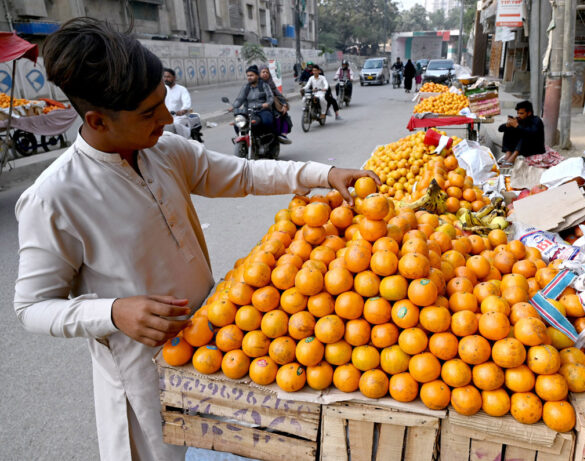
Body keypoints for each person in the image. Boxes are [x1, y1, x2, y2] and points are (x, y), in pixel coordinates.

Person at [14, 17, 378, 461]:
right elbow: (32, 308)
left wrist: (324, 174)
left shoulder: (165, 151)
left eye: (163, 104)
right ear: (97, 120)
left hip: (216, 340)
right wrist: (112, 311)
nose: (166, 119)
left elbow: (243, 173)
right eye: (150, 113)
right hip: (141, 371)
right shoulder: (54, 198)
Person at [498, 100, 546, 165]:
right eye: (518, 113)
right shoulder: (519, 119)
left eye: (521, 113)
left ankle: (513, 157)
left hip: (535, 149)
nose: (519, 115)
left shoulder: (536, 120)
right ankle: (508, 154)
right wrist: (507, 125)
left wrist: (517, 126)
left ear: (529, 113)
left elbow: (532, 133)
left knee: (524, 133)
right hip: (523, 148)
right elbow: (500, 129)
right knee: (508, 129)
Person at [233, 64, 274, 132]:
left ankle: (269, 137)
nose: (249, 77)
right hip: (248, 111)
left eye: (251, 75)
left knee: (267, 121)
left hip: (262, 110)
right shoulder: (246, 87)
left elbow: (270, 97)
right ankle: (242, 139)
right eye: (248, 76)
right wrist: (233, 106)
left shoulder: (264, 85)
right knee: (237, 124)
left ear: (257, 76)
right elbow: (240, 99)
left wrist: (267, 104)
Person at [259, 64, 292, 144]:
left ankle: (281, 135)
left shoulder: (271, 84)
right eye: (263, 72)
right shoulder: (254, 84)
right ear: (259, 73)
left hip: (270, 106)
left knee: (281, 115)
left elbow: (279, 95)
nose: (265, 74)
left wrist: (284, 105)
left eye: (267, 72)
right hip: (257, 106)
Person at [162, 68, 192, 138]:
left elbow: (187, 103)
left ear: (174, 78)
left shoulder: (182, 89)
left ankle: (184, 142)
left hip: (179, 117)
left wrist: (183, 110)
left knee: (177, 124)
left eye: (168, 77)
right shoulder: (162, 90)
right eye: (164, 77)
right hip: (166, 116)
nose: (166, 79)